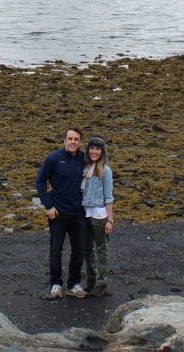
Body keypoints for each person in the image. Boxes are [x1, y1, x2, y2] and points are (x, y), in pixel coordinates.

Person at [35, 127, 88, 299]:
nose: (73, 142)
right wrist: (48, 206)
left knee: (79, 250)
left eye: (76, 139)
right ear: (64, 140)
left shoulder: (84, 159)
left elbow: (99, 172)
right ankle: (55, 284)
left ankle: (74, 284)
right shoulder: (53, 159)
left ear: (80, 142)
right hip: (57, 213)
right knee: (56, 250)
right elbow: (40, 182)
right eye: (70, 138)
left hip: (79, 213)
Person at [81, 135, 114, 297]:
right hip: (84, 213)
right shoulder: (85, 168)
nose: (94, 151)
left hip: (100, 215)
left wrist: (110, 219)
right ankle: (91, 279)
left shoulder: (105, 170)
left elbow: (109, 196)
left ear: (102, 151)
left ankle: (102, 282)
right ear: (88, 150)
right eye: (92, 148)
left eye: (98, 148)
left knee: (101, 248)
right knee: (87, 248)